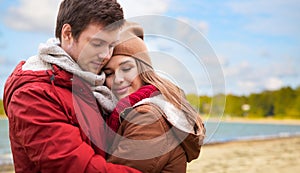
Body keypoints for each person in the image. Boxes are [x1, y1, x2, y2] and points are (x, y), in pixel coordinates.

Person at [3, 0, 141, 172]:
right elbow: (78, 167)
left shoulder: (93, 83)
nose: (106, 55)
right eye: (97, 44)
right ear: (68, 34)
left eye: (111, 46)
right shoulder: (32, 95)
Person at [103, 22, 206, 173]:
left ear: (143, 69)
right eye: (109, 73)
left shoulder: (147, 118)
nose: (118, 79)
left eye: (126, 68)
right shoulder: (152, 106)